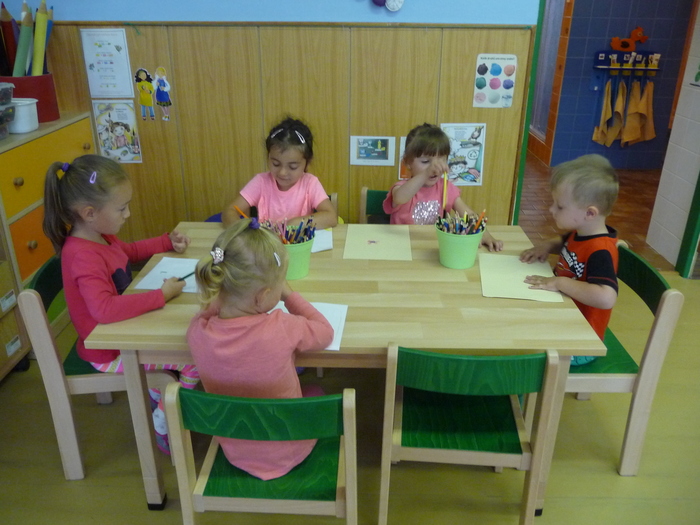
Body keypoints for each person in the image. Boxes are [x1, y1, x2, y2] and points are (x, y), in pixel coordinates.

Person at [43, 154, 199, 453]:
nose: (127, 214)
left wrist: (166, 241)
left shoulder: (100, 237)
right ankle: (166, 420)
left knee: (181, 345)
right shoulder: (83, 255)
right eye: (121, 208)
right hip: (108, 351)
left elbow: (130, 251)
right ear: (89, 213)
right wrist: (161, 296)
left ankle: (158, 394)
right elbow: (104, 309)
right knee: (192, 360)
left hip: (122, 334)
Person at [186, 218, 334, 481]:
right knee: (317, 391)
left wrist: (223, 297)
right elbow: (325, 331)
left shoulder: (198, 332)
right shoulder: (282, 326)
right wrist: (290, 295)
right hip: (289, 447)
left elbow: (203, 313)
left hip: (235, 450)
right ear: (262, 296)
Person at [519, 154, 619, 365]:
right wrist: (547, 246)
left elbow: (606, 297)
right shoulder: (582, 231)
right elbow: (565, 242)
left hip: (580, 343)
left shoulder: (600, 250)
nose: (551, 209)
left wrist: (560, 283)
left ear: (589, 213)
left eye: (560, 206)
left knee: (519, 348)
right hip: (563, 318)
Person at [382, 123, 502, 251]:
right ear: (407, 162)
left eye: (441, 161)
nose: (434, 169)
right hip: (401, 247)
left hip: (432, 248)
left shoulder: (445, 187)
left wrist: (484, 234)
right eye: (425, 161)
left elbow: (468, 215)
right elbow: (400, 198)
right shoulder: (401, 188)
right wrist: (425, 173)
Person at [222, 117, 338, 230]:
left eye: (292, 167)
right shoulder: (261, 182)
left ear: (307, 164)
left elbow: (331, 217)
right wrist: (244, 230)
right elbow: (229, 211)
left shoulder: (310, 183)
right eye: (276, 164)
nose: (282, 173)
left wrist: (292, 224)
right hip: (268, 243)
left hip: (296, 242)